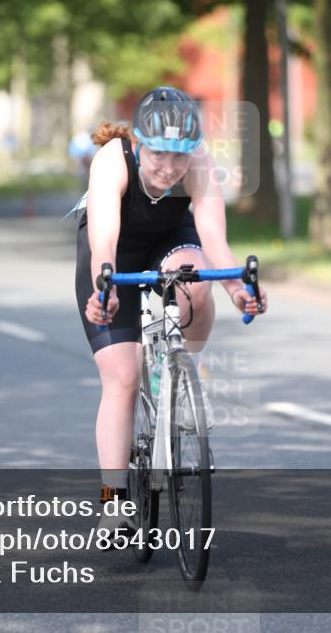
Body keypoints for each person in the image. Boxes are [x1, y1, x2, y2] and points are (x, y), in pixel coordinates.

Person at [73, 87, 268, 539]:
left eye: (179, 158)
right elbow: (104, 237)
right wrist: (105, 287)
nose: (169, 168)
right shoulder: (111, 160)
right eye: (159, 155)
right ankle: (113, 499)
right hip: (113, 249)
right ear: (140, 142)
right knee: (121, 377)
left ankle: (180, 373)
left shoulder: (199, 163)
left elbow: (216, 243)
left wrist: (238, 289)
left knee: (197, 279)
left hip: (170, 241)